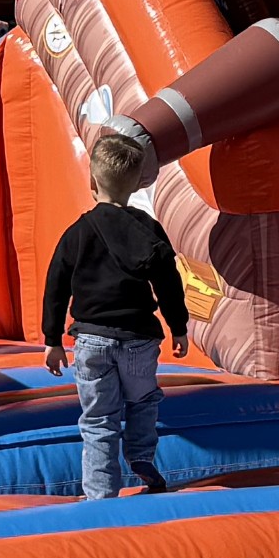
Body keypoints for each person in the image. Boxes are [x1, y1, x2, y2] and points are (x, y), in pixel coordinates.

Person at [40, 129, 193, 497]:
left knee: (99, 421)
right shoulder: (148, 230)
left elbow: (56, 286)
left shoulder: (77, 233)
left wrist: (52, 339)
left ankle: (101, 497)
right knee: (143, 399)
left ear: (93, 181)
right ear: (138, 184)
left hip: (92, 340)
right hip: (139, 340)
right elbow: (169, 283)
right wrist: (179, 327)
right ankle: (140, 454)